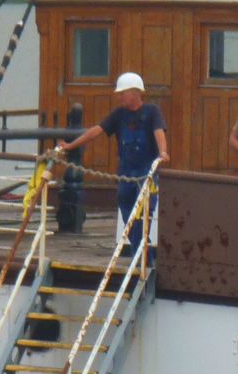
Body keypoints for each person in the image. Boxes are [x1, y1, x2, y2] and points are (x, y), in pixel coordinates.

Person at [57, 72, 169, 252]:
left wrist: (162, 152)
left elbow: (159, 132)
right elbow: (97, 130)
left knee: (143, 214)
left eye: (122, 93)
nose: (119, 97)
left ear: (134, 93)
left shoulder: (152, 112)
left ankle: (141, 256)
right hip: (125, 173)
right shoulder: (118, 115)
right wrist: (71, 145)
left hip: (146, 173)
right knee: (127, 212)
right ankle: (139, 252)